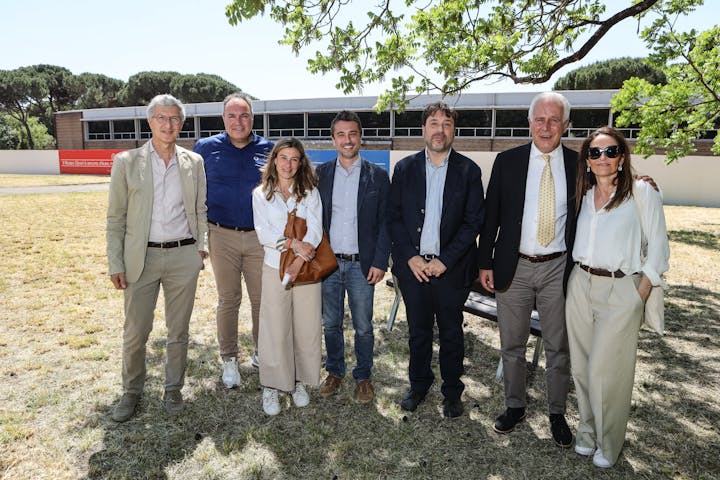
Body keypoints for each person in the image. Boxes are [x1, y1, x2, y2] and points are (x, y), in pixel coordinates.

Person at [566, 126, 669, 468]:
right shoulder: (582, 191)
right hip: (580, 283)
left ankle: (609, 443)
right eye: (595, 153)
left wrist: (639, 292)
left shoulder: (642, 192)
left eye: (611, 151)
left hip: (621, 288)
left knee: (605, 372)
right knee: (581, 367)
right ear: (587, 161)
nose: (603, 158)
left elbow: (659, 249)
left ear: (622, 157)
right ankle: (587, 432)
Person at [477, 92, 576, 447]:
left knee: (558, 347)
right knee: (512, 345)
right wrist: (484, 262)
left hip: (557, 269)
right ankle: (515, 405)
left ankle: (557, 412)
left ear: (565, 125)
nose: (546, 127)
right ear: (530, 122)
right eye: (539, 119)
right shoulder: (508, 161)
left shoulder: (580, 165)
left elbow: (610, 191)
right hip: (514, 267)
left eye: (553, 120)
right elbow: (490, 218)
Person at [106, 94, 208, 422]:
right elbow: (115, 218)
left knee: (179, 330)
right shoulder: (126, 162)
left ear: (182, 124)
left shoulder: (194, 162)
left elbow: (200, 210)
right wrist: (116, 262)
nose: (168, 124)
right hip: (142, 258)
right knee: (137, 330)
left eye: (175, 118)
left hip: (183, 257)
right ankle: (131, 392)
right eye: (161, 118)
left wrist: (200, 248)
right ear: (150, 122)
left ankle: (173, 389)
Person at [388, 101, 484, 418]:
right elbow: (395, 219)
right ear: (423, 129)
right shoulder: (404, 169)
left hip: (451, 269)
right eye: (433, 123)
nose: (439, 129)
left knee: (452, 333)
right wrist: (411, 258)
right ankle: (418, 385)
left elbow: (473, 223)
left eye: (446, 123)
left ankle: (452, 392)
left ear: (453, 130)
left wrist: (445, 260)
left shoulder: (469, 171)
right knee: (418, 332)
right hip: (414, 268)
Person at [193, 92, 273, 388]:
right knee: (229, 299)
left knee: (262, 300)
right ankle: (229, 359)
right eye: (232, 116)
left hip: (259, 238)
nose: (238, 122)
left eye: (244, 116)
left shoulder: (269, 149)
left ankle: (262, 352)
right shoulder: (205, 148)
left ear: (252, 118)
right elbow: (194, 194)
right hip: (221, 235)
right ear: (223, 119)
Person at [316, 111, 391, 404]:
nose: (347, 140)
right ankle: (335, 371)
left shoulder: (378, 175)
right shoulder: (319, 174)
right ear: (333, 139)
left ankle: (363, 377)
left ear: (360, 137)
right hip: (329, 263)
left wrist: (380, 261)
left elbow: (387, 222)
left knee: (363, 326)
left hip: (363, 264)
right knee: (331, 323)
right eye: (341, 135)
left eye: (352, 134)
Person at [251, 137, 323, 416]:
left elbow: (315, 231)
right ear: (274, 160)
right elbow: (263, 233)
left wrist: (297, 260)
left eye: (295, 159)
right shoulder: (260, 194)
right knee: (274, 326)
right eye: (283, 158)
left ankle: (299, 381)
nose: (288, 164)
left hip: (305, 267)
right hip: (273, 266)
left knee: (305, 326)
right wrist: (292, 245)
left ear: (301, 163)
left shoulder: (309, 191)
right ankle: (271, 384)